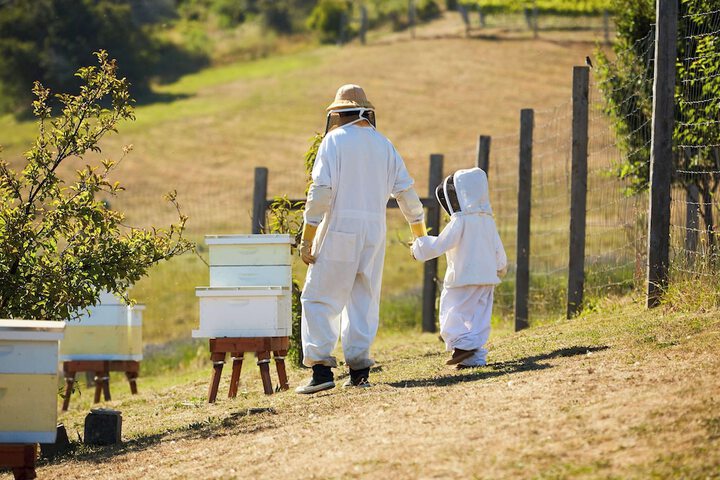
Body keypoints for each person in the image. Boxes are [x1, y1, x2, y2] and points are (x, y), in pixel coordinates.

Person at [296, 84, 427, 394]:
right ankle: (359, 370)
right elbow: (407, 194)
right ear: (366, 112)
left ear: (339, 113)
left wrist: (307, 236)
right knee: (363, 298)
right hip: (374, 232)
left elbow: (320, 193)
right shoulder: (384, 145)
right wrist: (419, 234)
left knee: (320, 297)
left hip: (340, 228)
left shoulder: (333, 141)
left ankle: (321, 371)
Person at [411, 168, 507, 368]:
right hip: (487, 278)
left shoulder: (460, 221)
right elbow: (497, 247)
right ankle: (474, 357)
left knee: (452, 311)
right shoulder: (488, 220)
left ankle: (462, 347)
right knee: (480, 317)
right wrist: (500, 267)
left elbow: (439, 245)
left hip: (462, 278)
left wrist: (418, 248)